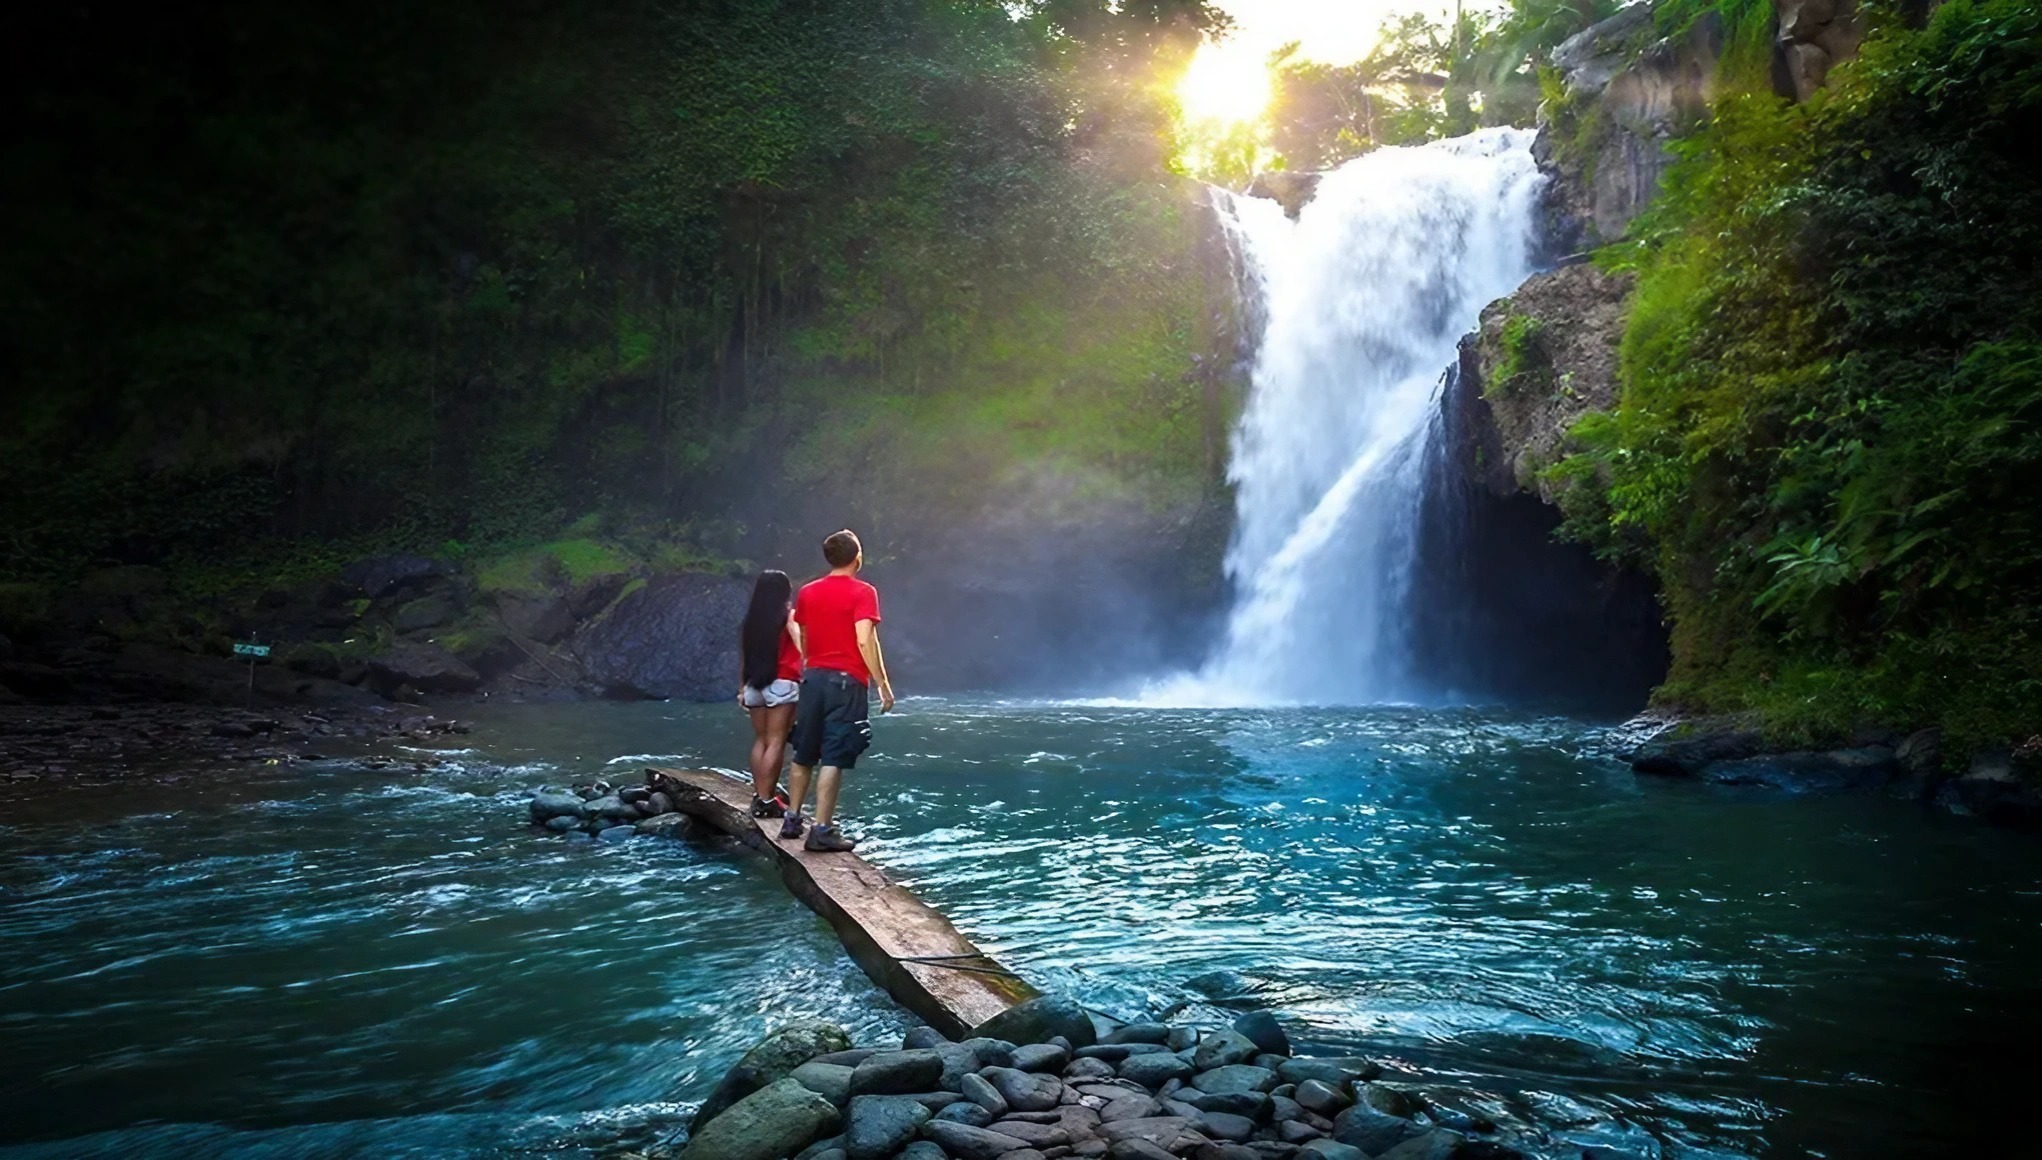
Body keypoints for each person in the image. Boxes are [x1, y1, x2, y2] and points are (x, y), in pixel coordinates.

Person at [781, 529, 895, 853]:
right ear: (858, 558)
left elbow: (802, 635)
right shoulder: (864, 592)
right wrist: (882, 684)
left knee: (804, 749)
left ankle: (791, 819)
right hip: (846, 682)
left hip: (812, 677)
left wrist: (812, 663)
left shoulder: (807, 592)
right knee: (833, 754)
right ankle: (821, 830)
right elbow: (864, 639)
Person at [737, 569, 802, 818]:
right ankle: (767, 799)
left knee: (761, 740)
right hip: (782, 683)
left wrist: (742, 688)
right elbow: (800, 642)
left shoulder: (751, 621)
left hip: (754, 685)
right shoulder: (787, 616)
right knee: (776, 741)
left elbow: (745, 656)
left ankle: (759, 794)